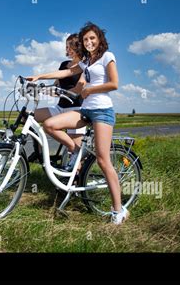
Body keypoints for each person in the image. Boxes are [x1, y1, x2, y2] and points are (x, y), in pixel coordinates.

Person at [27, 22, 128, 225]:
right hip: (85, 110)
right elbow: (66, 73)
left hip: (102, 112)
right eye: (85, 40)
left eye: (92, 38)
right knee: (50, 125)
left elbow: (115, 84)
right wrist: (40, 76)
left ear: (99, 39)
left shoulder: (107, 57)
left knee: (102, 160)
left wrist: (91, 90)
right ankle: (76, 152)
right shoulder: (87, 63)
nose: (88, 42)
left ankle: (119, 210)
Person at [33, 33, 86, 164]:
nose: (67, 49)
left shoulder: (85, 66)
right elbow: (56, 86)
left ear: (77, 47)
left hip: (76, 109)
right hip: (59, 107)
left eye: (69, 46)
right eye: (66, 46)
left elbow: (79, 89)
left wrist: (64, 93)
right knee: (29, 117)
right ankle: (39, 153)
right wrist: (39, 90)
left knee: (75, 158)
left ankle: (75, 180)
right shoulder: (64, 64)